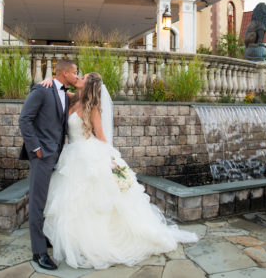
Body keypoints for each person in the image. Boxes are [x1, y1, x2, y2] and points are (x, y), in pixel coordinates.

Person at [41, 72, 198, 270]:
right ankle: (72, 238)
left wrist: (111, 161)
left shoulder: (93, 109)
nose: (79, 76)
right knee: (72, 200)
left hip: (88, 156)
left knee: (93, 201)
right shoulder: (72, 98)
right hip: (71, 156)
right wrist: (47, 80)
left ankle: (91, 241)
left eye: (84, 76)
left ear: (89, 85)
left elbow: (102, 137)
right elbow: (56, 90)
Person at [18, 58, 79, 271]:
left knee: (48, 198)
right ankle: (38, 252)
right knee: (37, 201)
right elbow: (24, 119)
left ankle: (43, 237)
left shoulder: (63, 91)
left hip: (58, 155)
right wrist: (35, 149)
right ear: (64, 74)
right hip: (42, 156)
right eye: (75, 73)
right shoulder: (42, 90)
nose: (77, 76)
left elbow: (86, 93)